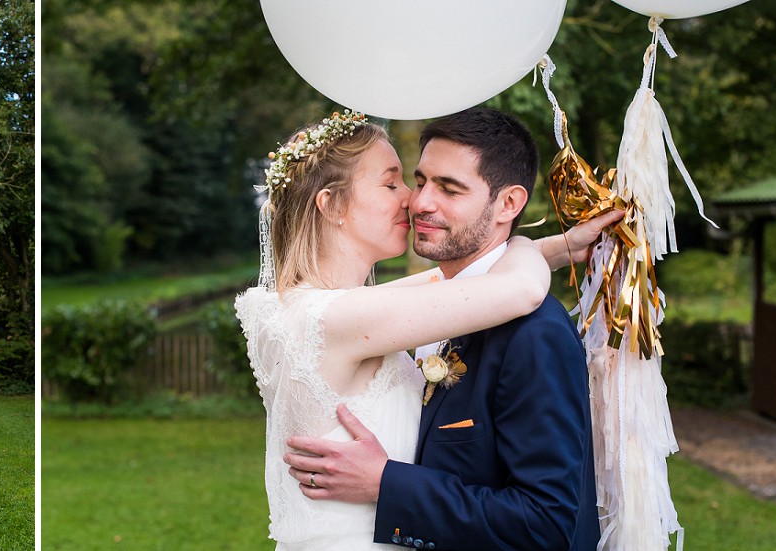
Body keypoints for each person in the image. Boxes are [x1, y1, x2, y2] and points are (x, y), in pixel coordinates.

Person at [235, 110, 615, 550]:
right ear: (332, 204)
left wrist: (557, 248)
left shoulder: (288, 307)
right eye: (395, 183)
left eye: (444, 187)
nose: (414, 201)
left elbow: (445, 284)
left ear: (507, 203)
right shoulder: (338, 319)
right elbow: (520, 287)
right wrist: (525, 245)